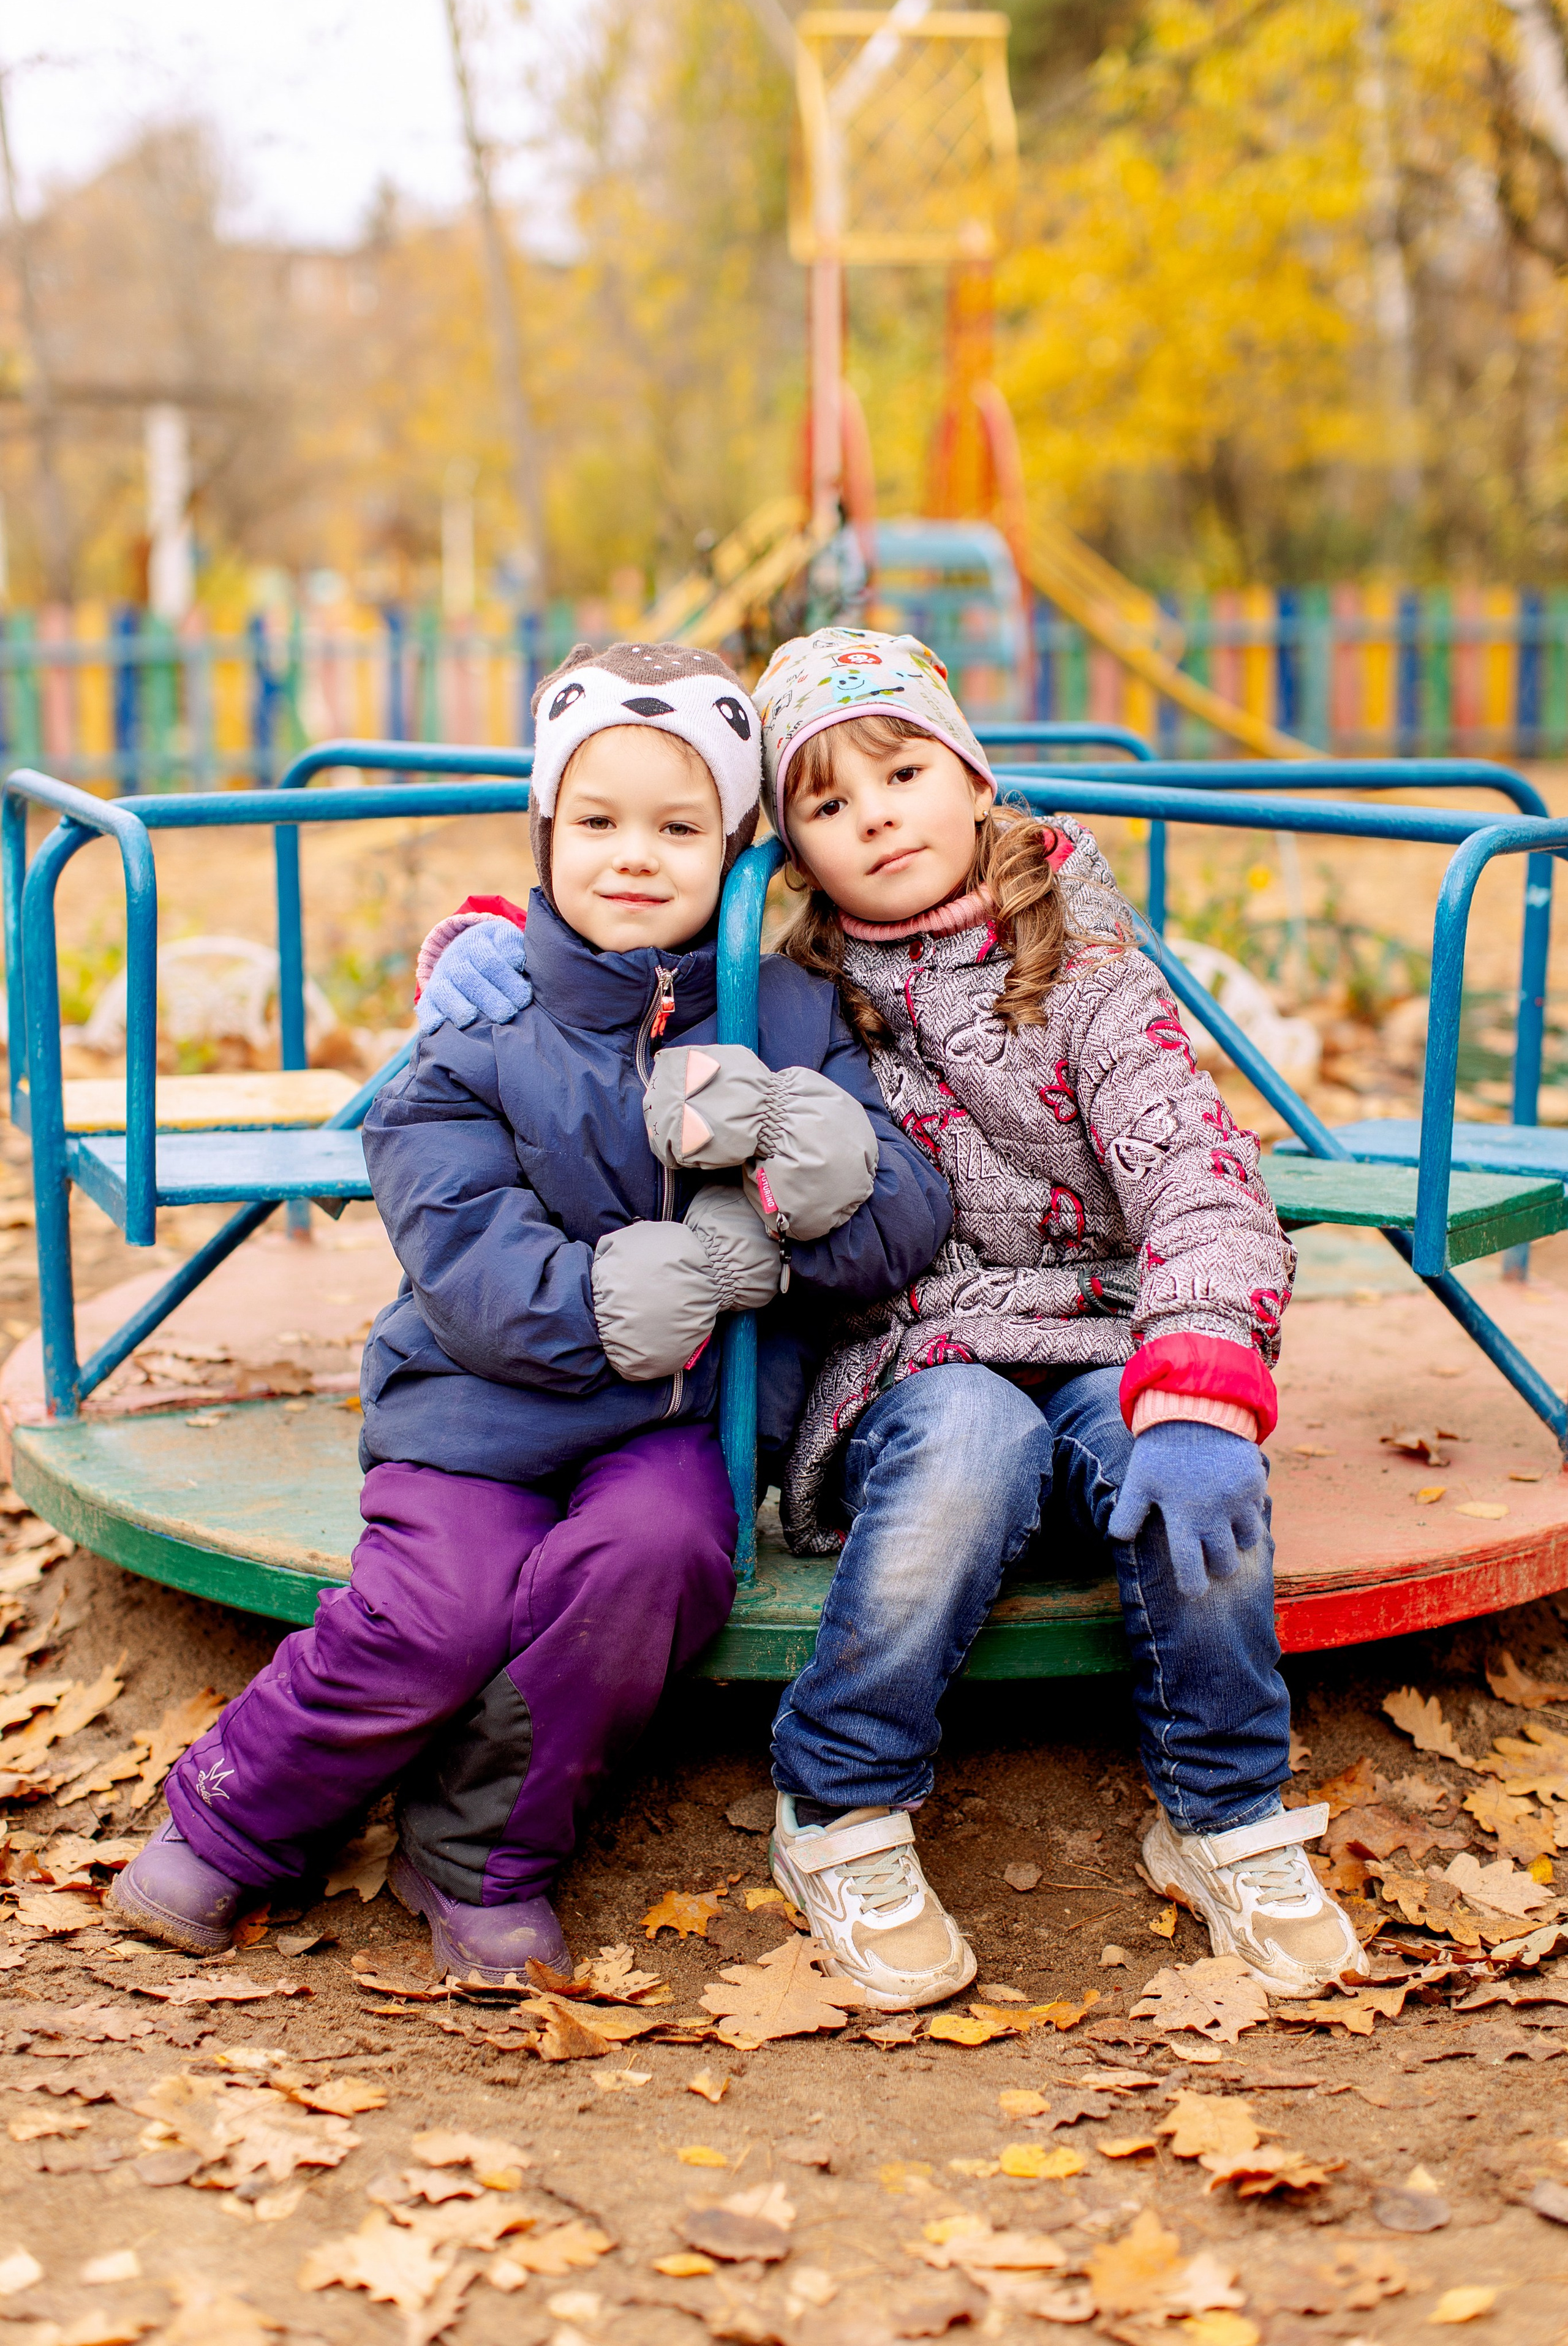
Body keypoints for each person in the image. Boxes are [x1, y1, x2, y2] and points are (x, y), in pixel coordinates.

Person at [417, 627, 1367, 2017]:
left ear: (972, 778)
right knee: (968, 1445)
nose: (875, 814)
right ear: (789, 850)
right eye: (824, 799)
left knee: (1197, 1482)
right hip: (909, 1349)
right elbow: (622, 965)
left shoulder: (1082, 963)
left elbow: (1196, 1170)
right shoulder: (791, 984)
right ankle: (843, 1803)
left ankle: (1221, 1811)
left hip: (1105, 1332)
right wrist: (484, 950)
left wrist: (1204, 1365)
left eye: (902, 770)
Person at [108, 642, 951, 1984]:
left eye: (679, 827)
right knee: (432, 1611)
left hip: (674, 1425)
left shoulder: (787, 1014)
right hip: (476, 1410)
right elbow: (459, 1250)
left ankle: (478, 1850)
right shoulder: (476, 1035)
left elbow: (906, 1215)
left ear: (739, 848)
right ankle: (244, 1813)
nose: (634, 856)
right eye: (597, 821)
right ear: (545, 832)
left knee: (656, 1563)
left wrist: (803, 1176)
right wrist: (600, 1299)